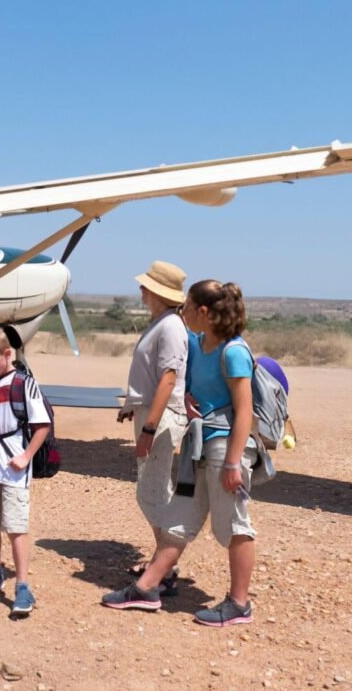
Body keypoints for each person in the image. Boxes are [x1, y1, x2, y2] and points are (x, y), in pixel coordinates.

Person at [102, 279, 258, 628]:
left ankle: (239, 604)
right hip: (198, 444)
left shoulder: (233, 352)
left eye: (186, 307)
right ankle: (147, 587)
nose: (181, 312)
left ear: (204, 312)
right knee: (180, 517)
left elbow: (244, 411)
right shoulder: (200, 342)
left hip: (223, 447)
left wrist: (233, 462)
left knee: (234, 524)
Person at [106, 260, 189, 600]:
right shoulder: (164, 323)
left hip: (162, 417)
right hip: (153, 413)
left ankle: (164, 568)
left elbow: (169, 378)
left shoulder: (169, 327)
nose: (141, 290)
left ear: (156, 292)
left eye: (146, 286)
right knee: (156, 489)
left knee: (152, 493)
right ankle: (162, 565)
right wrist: (134, 407)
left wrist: (149, 427)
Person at [0, 325, 52, 616]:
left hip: (15, 463)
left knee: (16, 527)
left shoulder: (23, 383)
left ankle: (23, 586)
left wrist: (26, 456)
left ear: (7, 354)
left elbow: (42, 425)